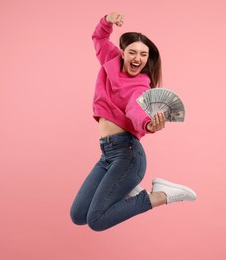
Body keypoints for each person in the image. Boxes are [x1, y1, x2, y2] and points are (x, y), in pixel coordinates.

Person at [70, 12, 197, 231]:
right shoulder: (111, 60)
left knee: (96, 221)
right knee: (78, 214)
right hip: (107, 154)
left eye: (144, 54)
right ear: (123, 52)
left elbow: (137, 108)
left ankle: (161, 195)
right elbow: (99, 39)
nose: (138, 58)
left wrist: (148, 124)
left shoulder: (140, 84)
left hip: (127, 154)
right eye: (133, 52)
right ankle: (131, 189)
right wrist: (107, 20)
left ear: (148, 58)